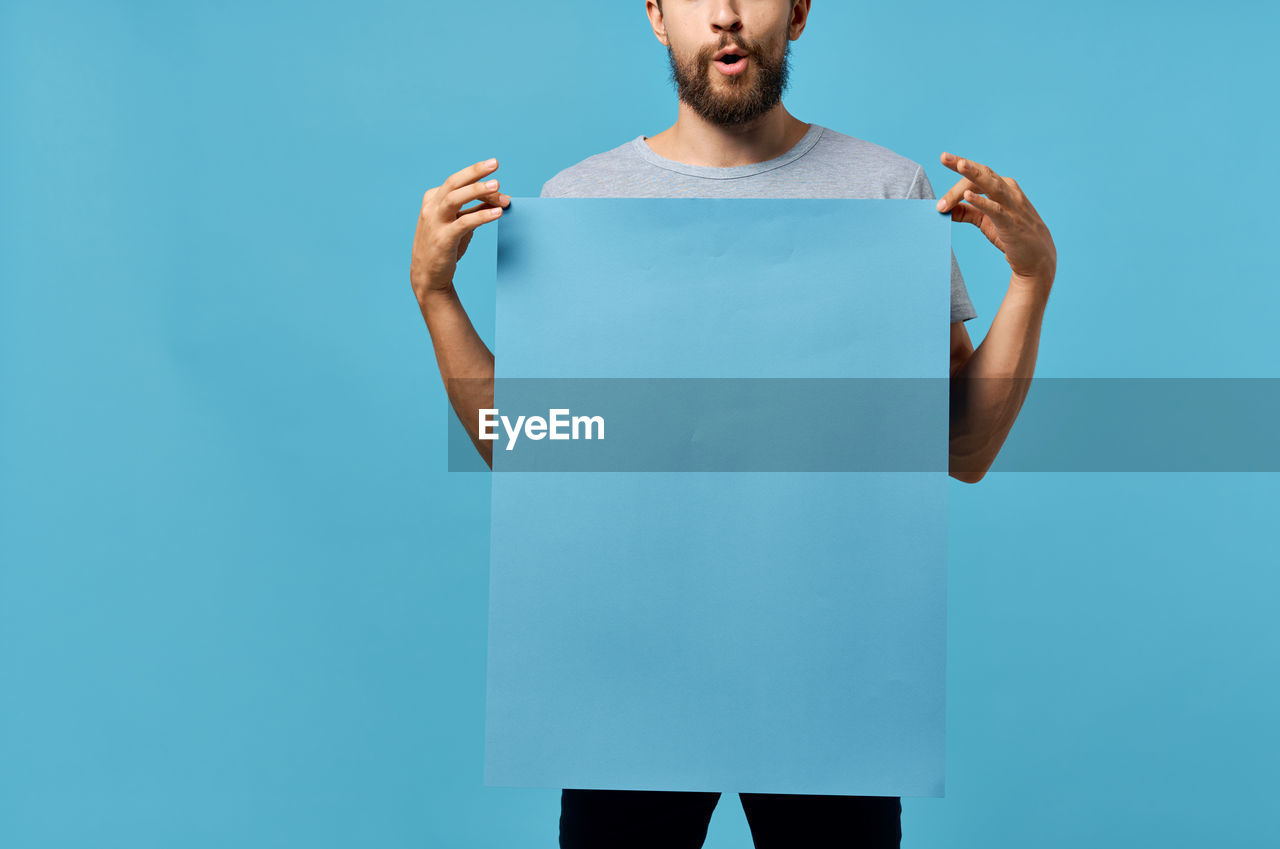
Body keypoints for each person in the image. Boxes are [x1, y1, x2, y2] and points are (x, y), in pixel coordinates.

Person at [408, 1, 1057, 846]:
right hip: (627, 681)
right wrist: (436, 294)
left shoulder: (886, 192)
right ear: (655, 14)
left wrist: (1032, 282)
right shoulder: (581, 203)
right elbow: (535, 451)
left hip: (833, 686)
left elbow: (961, 448)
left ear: (796, 12)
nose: (723, 15)